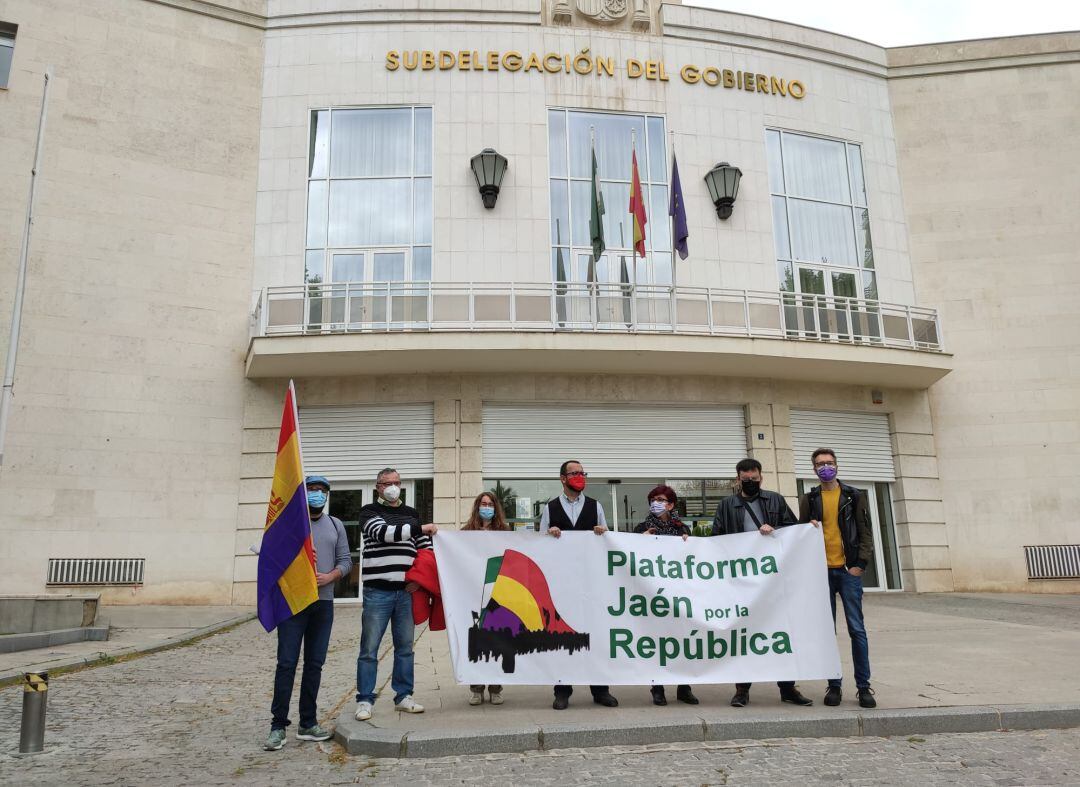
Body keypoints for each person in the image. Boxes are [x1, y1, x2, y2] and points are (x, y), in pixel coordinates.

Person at [711, 458, 813, 709]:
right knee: (743, 633)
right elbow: (715, 539)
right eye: (746, 479)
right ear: (738, 479)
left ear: (761, 478)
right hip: (741, 579)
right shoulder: (726, 505)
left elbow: (793, 531)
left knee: (780, 630)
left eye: (754, 479)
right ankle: (742, 690)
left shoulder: (775, 500)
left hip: (773, 579)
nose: (750, 482)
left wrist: (776, 529)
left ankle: (787, 687)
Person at [264, 475, 352, 751]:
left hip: (322, 603)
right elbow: (272, 557)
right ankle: (278, 726)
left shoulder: (336, 525)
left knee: (315, 664)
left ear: (327, 495)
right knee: (287, 663)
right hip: (294, 603)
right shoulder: (290, 525)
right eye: (311, 490)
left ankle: (307, 722)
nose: (316, 494)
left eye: (321, 490)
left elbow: (346, 561)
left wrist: (332, 576)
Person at [354, 467, 438, 722]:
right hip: (377, 591)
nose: (392, 487)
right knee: (370, 648)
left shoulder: (411, 514)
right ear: (378, 486)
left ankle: (403, 696)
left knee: (405, 648)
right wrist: (419, 527)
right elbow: (384, 534)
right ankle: (365, 699)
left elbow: (426, 550)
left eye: (396, 482)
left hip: (405, 593)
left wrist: (419, 580)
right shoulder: (369, 512)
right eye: (387, 483)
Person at [800, 448, 877, 709]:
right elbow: (800, 534)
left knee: (857, 629)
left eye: (829, 463)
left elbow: (865, 531)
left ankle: (864, 687)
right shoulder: (810, 498)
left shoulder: (853, 495)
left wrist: (860, 564)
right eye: (820, 464)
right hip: (821, 573)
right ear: (814, 469)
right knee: (827, 632)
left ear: (837, 466)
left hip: (848, 572)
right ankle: (834, 685)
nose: (825, 467)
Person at [541, 460, 618, 710]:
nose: (580, 477)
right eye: (574, 473)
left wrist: (602, 533)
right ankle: (562, 689)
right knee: (562, 636)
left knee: (594, 635)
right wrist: (549, 535)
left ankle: (600, 689)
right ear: (563, 478)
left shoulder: (595, 506)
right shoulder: (550, 508)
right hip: (562, 584)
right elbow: (539, 544)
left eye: (582, 473)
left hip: (590, 581)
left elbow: (607, 538)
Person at [634, 485, 698, 707]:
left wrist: (687, 544)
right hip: (653, 596)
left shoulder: (683, 529)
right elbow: (631, 554)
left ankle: (684, 687)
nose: (656, 502)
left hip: (679, 594)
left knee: (681, 639)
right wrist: (641, 540)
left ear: (671, 504)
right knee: (658, 642)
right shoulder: (641, 528)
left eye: (661, 499)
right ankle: (658, 687)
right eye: (653, 499)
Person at [461, 491, 509, 707]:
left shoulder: (504, 531)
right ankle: (477, 689)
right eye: (483, 503)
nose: (486, 507)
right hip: (473, 591)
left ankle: (496, 688)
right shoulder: (467, 531)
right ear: (477, 506)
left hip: (497, 594)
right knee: (476, 641)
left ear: (495, 507)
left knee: (498, 640)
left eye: (490, 504)